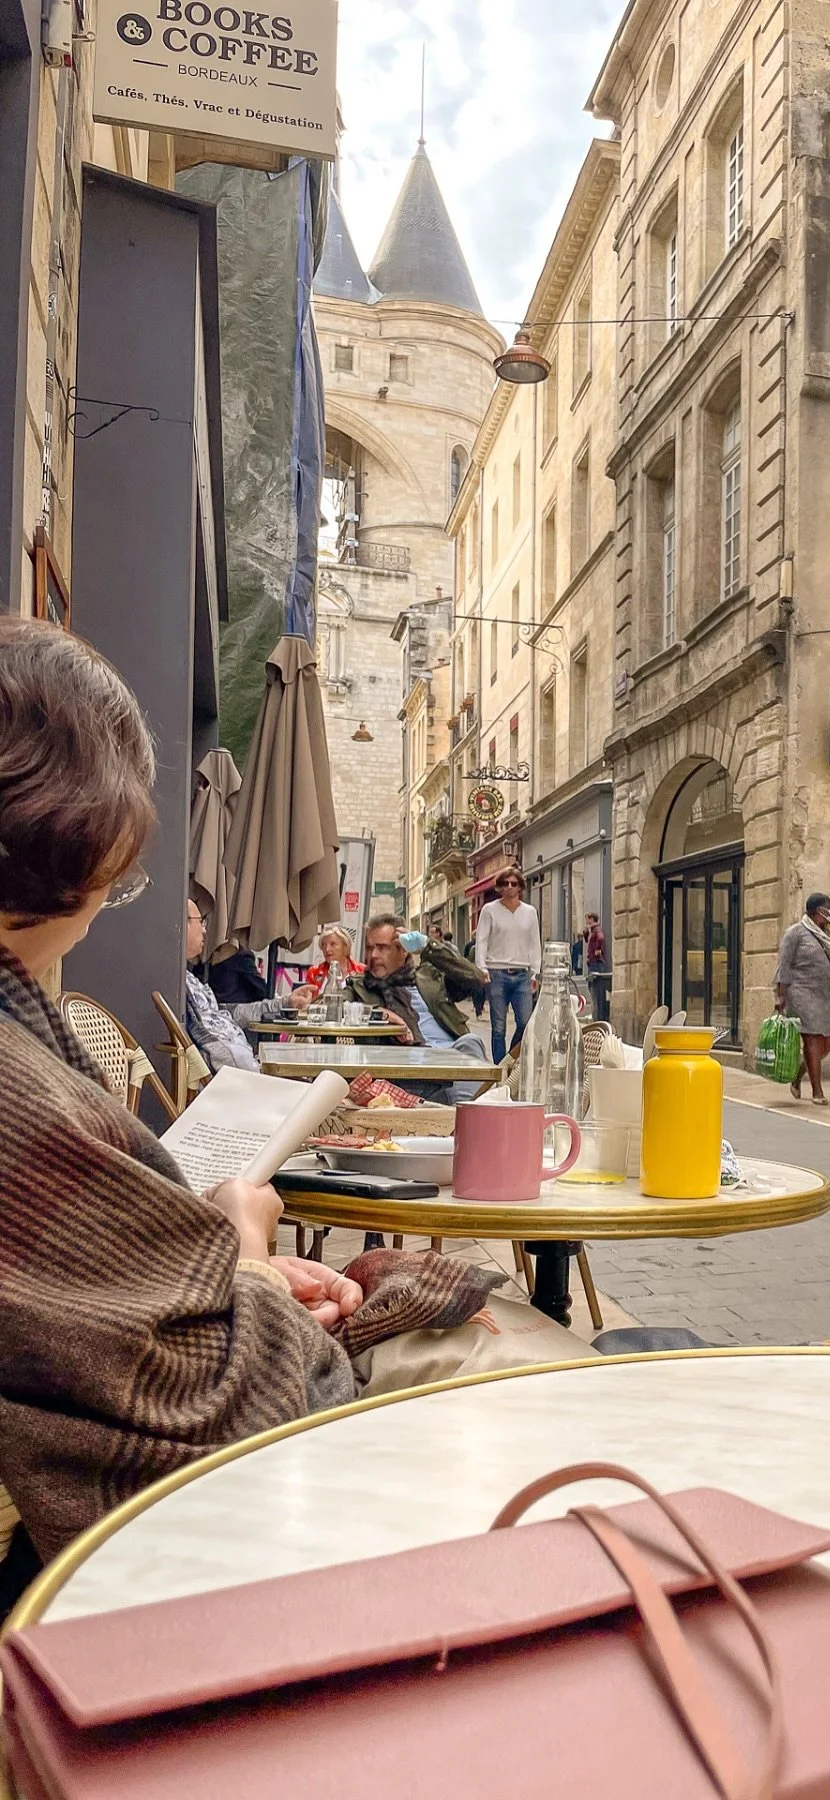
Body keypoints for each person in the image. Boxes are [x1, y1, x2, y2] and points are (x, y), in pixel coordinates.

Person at [0, 619, 513, 1594]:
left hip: (135, 1451)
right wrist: (240, 1249)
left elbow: (92, 1321)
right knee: (509, 1361)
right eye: (122, 879)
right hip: (145, 1543)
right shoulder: (20, 1092)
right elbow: (231, 1405)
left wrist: (241, 1276)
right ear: (77, 841)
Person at [185, 899, 315, 1075]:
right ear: (183, 923)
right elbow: (215, 1050)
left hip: (245, 1070)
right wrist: (254, 1074)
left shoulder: (189, 979)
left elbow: (230, 1013)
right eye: (200, 921)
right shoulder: (179, 986)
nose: (204, 929)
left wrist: (286, 1003)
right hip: (237, 1078)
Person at [773, 893, 830, 1106]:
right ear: (815, 911)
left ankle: (799, 1074)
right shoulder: (795, 933)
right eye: (827, 909)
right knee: (813, 1039)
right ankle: (817, 1090)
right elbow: (784, 965)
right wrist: (780, 995)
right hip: (801, 992)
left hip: (824, 993)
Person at [346, 916, 489, 1050]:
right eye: (369, 948)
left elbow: (476, 979)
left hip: (452, 1050)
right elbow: (338, 1008)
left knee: (471, 1041)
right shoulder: (359, 986)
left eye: (382, 948)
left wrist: (427, 946)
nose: (373, 955)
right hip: (410, 1056)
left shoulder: (428, 977)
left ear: (403, 951)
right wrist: (381, 1014)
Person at [474, 868, 542, 1064]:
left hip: (522, 974)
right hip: (497, 973)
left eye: (514, 883)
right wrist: (482, 968)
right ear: (499, 887)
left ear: (520, 887)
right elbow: (482, 940)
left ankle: (509, 1060)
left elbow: (534, 943)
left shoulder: (530, 912)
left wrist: (535, 973)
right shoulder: (489, 910)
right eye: (505, 883)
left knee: (525, 1023)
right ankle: (499, 1068)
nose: (509, 887)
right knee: (499, 1027)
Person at [302, 924, 364, 994]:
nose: (327, 949)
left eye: (333, 944)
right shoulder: (314, 972)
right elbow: (308, 999)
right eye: (324, 945)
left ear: (345, 947)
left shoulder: (362, 972)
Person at [583, 911, 611, 1023]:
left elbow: (600, 938)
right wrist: (586, 932)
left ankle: (600, 1016)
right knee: (593, 987)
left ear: (591, 919)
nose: (586, 921)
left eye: (587, 919)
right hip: (592, 962)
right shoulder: (591, 930)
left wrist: (598, 949)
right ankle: (597, 1015)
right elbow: (587, 940)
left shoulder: (596, 929)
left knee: (597, 989)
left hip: (596, 963)